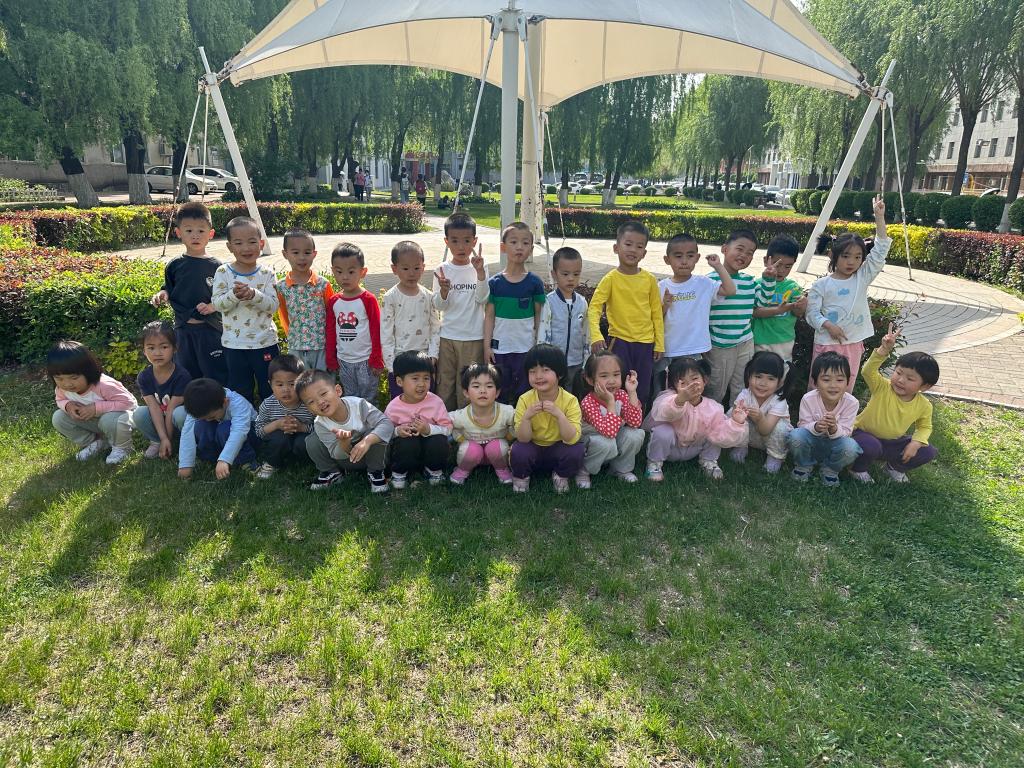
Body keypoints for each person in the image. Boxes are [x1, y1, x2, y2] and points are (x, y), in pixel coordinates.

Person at [805, 195, 891, 391]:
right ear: (832, 256)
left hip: (852, 343)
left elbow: (880, 251)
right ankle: (812, 413)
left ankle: (843, 413)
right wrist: (828, 325)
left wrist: (879, 218)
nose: (851, 262)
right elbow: (811, 313)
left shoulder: (862, 277)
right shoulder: (821, 285)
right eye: (845, 256)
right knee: (819, 388)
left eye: (858, 257)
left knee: (845, 388)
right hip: (826, 344)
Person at [849, 324, 939, 483]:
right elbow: (867, 371)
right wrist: (884, 349)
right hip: (862, 435)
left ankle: (894, 468)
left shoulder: (924, 405)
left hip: (891, 444)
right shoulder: (883, 387)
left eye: (910, 378)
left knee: (928, 451)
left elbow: (924, 427)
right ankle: (858, 469)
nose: (901, 380)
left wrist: (916, 442)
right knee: (871, 445)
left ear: (925, 386)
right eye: (898, 373)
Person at [587, 221, 664, 407]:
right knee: (617, 387)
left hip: (645, 344)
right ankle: (615, 420)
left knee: (642, 388)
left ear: (644, 253)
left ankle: (637, 421)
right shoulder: (610, 279)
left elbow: (656, 313)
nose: (633, 250)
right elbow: (594, 307)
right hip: (619, 342)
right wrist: (596, 335)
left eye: (639, 246)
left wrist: (659, 343)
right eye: (628, 244)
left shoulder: (650, 280)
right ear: (616, 248)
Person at [150, 202, 227, 383]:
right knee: (187, 373)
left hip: (211, 329)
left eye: (201, 230)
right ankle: (190, 400)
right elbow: (170, 287)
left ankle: (219, 400)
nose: (195, 236)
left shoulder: (218, 267)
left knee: (216, 373)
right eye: (189, 230)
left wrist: (212, 306)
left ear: (211, 234)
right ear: (178, 233)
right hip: (183, 330)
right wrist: (163, 294)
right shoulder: (175, 265)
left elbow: (225, 296)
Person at [705, 228, 778, 407]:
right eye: (739, 249)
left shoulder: (749, 281)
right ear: (724, 249)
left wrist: (768, 280)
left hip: (745, 342)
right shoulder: (709, 281)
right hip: (719, 345)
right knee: (716, 387)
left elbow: (762, 301)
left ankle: (736, 418)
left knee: (742, 386)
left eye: (750, 253)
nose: (744, 255)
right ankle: (709, 418)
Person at [656, 233, 735, 397]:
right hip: (668, 350)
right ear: (667, 259)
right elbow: (655, 320)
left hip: (695, 350)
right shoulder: (661, 287)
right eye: (678, 256)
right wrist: (665, 306)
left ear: (697, 258)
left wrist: (718, 266)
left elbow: (730, 290)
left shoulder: (703, 283)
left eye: (690, 256)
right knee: (664, 393)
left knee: (694, 393)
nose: (684, 261)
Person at [644, 356, 747, 482]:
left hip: (695, 448)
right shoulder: (669, 398)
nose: (690, 385)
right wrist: (680, 400)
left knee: (715, 427)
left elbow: (721, 435)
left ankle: (709, 461)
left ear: (705, 380)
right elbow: (666, 413)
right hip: (671, 448)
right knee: (663, 431)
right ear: (673, 385)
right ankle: (654, 464)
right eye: (683, 383)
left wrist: (736, 422)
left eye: (695, 379)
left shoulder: (713, 407)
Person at [210, 216, 279, 404]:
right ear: (229, 247)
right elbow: (217, 304)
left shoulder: (267, 273)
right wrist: (234, 295)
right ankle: (244, 418)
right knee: (240, 389)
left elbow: (273, 306)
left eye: (252, 242)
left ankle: (272, 416)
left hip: (265, 342)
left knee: (270, 386)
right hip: (234, 344)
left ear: (261, 243)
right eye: (239, 243)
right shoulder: (223, 272)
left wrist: (253, 295)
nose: (246, 248)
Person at [296, 369, 393, 493]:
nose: (320, 402)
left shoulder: (358, 405)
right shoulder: (320, 423)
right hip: (347, 461)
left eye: (323, 393)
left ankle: (376, 473)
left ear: (338, 390)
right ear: (308, 409)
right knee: (312, 441)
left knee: (375, 432)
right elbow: (336, 454)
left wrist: (367, 441)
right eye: (311, 402)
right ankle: (332, 472)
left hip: (373, 455)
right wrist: (344, 443)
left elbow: (387, 424)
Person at [510, 344, 585, 493]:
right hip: (533, 446)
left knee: (576, 450)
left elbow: (571, 438)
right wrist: (527, 418)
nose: (538, 376)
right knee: (519, 450)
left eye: (545, 370)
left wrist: (559, 415)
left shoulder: (570, 401)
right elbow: (523, 439)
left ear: (560, 374)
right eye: (532, 371)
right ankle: (521, 476)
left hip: (558, 447)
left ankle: (561, 474)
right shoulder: (525, 399)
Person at [432, 212, 489, 410]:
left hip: (474, 337)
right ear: (446, 241)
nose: (461, 247)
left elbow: (483, 299)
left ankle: (467, 423)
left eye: (466, 241)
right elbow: (439, 306)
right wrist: (444, 291)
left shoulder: (480, 267)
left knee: (469, 384)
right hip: (447, 336)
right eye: (455, 241)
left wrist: (480, 274)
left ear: (475, 241)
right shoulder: (441, 270)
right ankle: (444, 422)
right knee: (445, 383)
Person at [48, 340, 137, 465]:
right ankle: (96, 443)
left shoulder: (104, 385)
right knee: (59, 417)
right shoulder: (62, 389)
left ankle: (122, 447)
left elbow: (128, 403)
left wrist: (96, 408)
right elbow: (60, 400)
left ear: (88, 371)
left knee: (108, 420)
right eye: (59, 379)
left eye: (74, 378)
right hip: (96, 422)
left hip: (123, 420)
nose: (67, 384)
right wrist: (68, 406)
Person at [484, 222, 546, 402]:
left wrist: (538, 345)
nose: (519, 247)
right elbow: (489, 317)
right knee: (499, 391)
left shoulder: (535, 283)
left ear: (531, 249)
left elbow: (539, 317)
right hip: (500, 349)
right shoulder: (494, 283)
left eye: (525, 243)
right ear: (503, 247)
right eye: (513, 242)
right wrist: (486, 347)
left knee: (525, 393)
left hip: (526, 348)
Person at [787, 351, 862, 486]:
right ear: (816, 382)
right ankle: (803, 466)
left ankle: (830, 470)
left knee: (851, 447)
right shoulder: (808, 399)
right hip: (811, 442)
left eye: (840, 380)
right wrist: (816, 426)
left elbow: (846, 432)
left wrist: (834, 428)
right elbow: (802, 425)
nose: (833, 385)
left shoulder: (852, 403)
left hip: (835, 446)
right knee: (795, 436)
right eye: (826, 380)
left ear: (847, 382)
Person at [384, 350, 453, 488]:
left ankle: (434, 470)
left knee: (438, 440)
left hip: (430, 452)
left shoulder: (435, 402)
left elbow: (448, 429)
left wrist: (429, 429)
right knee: (406, 441)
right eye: (415, 378)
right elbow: (384, 433)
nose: (421, 384)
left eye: (426, 378)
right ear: (399, 381)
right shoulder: (393, 407)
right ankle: (399, 473)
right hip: (405, 453)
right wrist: (397, 431)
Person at [325, 243, 385, 402]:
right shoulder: (334, 301)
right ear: (333, 271)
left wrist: (377, 358)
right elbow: (330, 331)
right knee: (350, 397)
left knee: (369, 398)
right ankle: (354, 418)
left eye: (351, 272)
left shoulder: (368, 299)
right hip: (344, 360)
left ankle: (370, 417)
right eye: (339, 272)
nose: (345, 277)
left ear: (362, 272)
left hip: (366, 360)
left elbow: (376, 329)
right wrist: (331, 358)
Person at [381, 240, 440, 399]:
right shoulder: (390, 297)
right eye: (406, 268)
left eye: (416, 268)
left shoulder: (428, 296)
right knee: (401, 402)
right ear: (394, 269)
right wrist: (391, 365)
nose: (412, 273)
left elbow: (436, 327)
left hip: (424, 361)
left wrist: (433, 356)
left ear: (423, 267)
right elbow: (386, 333)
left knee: (426, 400)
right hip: (400, 362)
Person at [577, 350, 645, 488]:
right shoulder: (588, 403)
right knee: (605, 442)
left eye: (616, 374)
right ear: (590, 380)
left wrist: (632, 392)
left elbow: (635, 422)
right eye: (604, 376)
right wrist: (610, 403)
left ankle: (620, 469)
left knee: (635, 434)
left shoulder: (621, 394)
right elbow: (609, 432)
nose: (612, 381)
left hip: (611, 441)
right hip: (593, 444)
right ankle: (584, 470)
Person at [275, 229, 334, 372]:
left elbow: (331, 315)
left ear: (314, 254)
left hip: (321, 346)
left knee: (324, 381)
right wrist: (293, 336)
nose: (302, 257)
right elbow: (283, 316)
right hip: (296, 347)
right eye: (295, 252)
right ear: (285, 254)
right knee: (300, 381)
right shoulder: (282, 287)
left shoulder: (323, 284)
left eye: (307, 252)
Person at [177, 377, 259, 480]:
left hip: (249, 435)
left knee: (224, 428)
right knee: (200, 425)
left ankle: (246, 462)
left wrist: (225, 459)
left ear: (225, 402)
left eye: (212, 417)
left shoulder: (238, 404)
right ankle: (210, 458)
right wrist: (185, 464)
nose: (208, 420)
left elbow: (239, 433)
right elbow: (187, 431)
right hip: (221, 435)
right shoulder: (197, 406)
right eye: (205, 418)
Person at [448, 363, 516, 485]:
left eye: (489, 386)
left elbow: (518, 422)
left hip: (497, 451)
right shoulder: (461, 416)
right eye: (476, 386)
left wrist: (509, 437)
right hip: (471, 452)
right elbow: (447, 422)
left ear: (497, 392)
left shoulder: (506, 412)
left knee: (498, 447)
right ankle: (463, 470)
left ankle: (502, 469)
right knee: (471, 450)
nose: (483, 391)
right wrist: (460, 439)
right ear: (466, 392)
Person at [130, 321, 189, 460]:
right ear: (144, 351)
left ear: (175, 348)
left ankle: (183, 441)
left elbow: (171, 410)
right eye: (151, 348)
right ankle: (157, 441)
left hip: (178, 422)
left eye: (164, 347)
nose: (157, 353)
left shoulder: (182, 375)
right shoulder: (144, 377)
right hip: (160, 423)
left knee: (180, 413)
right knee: (139, 413)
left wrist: (168, 439)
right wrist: (163, 438)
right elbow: (154, 408)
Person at [727, 351, 793, 474]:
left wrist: (760, 418)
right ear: (749, 376)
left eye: (771, 379)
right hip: (752, 435)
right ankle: (741, 446)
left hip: (770, 435)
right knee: (732, 413)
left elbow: (765, 430)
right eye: (758, 376)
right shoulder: (745, 395)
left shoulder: (779, 401)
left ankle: (775, 457)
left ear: (779, 383)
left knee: (780, 428)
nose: (763, 383)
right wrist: (738, 418)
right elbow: (734, 424)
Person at [253, 354, 317, 480]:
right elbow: (259, 431)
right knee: (279, 438)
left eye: (292, 384)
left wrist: (302, 427)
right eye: (280, 385)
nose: (286, 390)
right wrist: (276, 424)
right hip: (278, 441)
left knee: (304, 442)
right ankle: (272, 463)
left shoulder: (309, 404)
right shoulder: (268, 405)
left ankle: (307, 462)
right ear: (270, 384)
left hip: (301, 438)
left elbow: (322, 428)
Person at [536, 246, 589, 394]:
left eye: (576, 274)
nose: (571, 278)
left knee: (573, 395)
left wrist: (587, 359)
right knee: (553, 394)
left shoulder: (582, 303)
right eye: (565, 274)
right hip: (553, 363)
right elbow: (543, 331)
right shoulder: (549, 302)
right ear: (554, 274)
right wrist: (543, 359)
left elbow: (587, 333)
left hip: (576, 362)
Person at [751, 234, 807, 363]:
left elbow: (798, 313)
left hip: (784, 341)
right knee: (757, 370)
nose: (781, 270)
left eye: (788, 266)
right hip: (759, 339)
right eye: (778, 265)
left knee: (782, 371)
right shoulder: (757, 285)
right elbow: (754, 312)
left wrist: (802, 305)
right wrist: (779, 310)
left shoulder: (793, 287)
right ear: (766, 260)